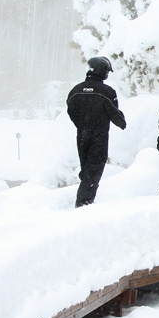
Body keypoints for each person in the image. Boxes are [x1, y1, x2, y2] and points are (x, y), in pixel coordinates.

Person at [66, 56, 127, 208]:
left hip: (81, 135)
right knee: (94, 170)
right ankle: (84, 203)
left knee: (86, 167)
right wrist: (122, 121)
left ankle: (85, 199)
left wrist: (81, 124)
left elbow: (71, 110)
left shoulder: (76, 90)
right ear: (103, 72)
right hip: (99, 136)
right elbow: (115, 115)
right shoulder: (106, 91)